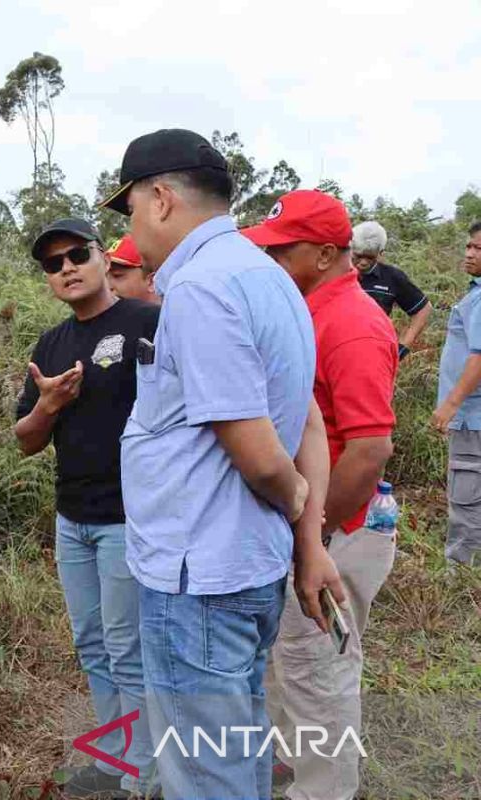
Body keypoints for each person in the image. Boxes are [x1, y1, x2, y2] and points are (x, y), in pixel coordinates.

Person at [99, 129, 343, 800]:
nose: (134, 234)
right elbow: (310, 423)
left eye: (132, 213)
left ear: (161, 198)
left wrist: (293, 500)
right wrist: (305, 539)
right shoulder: (267, 277)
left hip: (199, 583)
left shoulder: (203, 289)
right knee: (234, 751)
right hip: (244, 568)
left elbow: (262, 453)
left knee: (207, 775)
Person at [244, 190, 398, 800]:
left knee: (318, 667)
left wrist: (319, 534)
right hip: (309, 529)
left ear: (327, 254)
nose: (273, 260)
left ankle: (328, 789)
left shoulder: (354, 325)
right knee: (293, 662)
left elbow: (369, 447)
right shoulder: (307, 311)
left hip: (336, 532)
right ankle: (297, 768)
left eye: (285, 250)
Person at [15, 218, 160, 798]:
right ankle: (117, 757)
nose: (67, 268)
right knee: (92, 642)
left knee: (129, 648)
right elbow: (25, 439)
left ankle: (146, 774)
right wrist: (47, 405)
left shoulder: (148, 322)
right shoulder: (50, 345)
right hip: (72, 519)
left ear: (105, 258)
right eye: (54, 263)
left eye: (77, 255)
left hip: (132, 518)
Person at [430, 220, 481, 566]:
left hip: (471, 419)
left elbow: (478, 358)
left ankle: (461, 577)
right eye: (468, 246)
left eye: (478, 249)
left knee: (466, 497)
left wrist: (450, 405)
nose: (469, 254)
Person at [351, 220, 431, 360]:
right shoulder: (336, 272)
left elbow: (423, 310)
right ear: (351, 249)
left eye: (370, 257)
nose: (363, 262)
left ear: (381, 253)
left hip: (373, 356)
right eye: (358, 256)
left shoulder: (392, 277)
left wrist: (402, 347)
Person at [105, 234, 159, 304]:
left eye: (117, 275)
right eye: (105, 276)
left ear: (152, 281)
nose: (107, 286)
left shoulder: (173, 311)